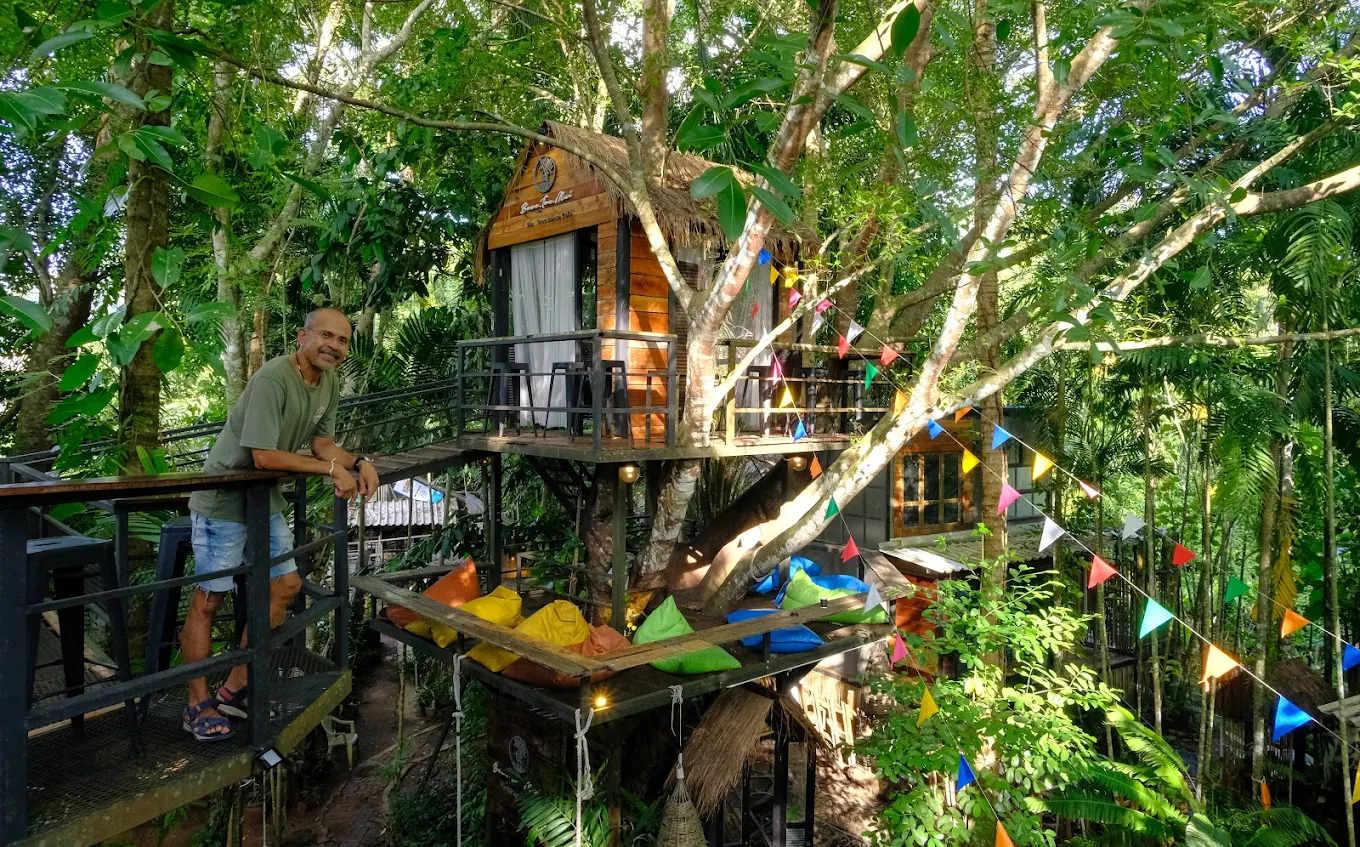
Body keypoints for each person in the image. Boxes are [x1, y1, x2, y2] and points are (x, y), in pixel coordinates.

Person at [180, 307, 378, 741]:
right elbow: (263, 456)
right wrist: (329, 471)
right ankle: (197, 703)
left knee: (285, 585)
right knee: (210, 599)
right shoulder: (273, 377)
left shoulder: (326, 383)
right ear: (302, 337)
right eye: (326, 336)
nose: (335, 346)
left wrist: (361, 462)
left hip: (264, 498)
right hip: (225, 500)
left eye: (343, 340)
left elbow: (323, 444)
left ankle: (234, 686)